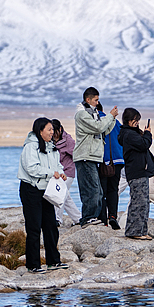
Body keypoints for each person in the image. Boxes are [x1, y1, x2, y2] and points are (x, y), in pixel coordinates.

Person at [17, 117, 66, 273]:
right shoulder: (31, 147)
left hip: (47, 190)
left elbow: (57, 165)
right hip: (31, 189)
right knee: (34, 227)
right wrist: (53, 173)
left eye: (53, 129)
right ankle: (33, 265)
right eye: (49, 130)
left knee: (51, 226)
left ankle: (53, 261)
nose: (53, 132)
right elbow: (32, 169)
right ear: (40, 131)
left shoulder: (52, 147)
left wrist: (61, 173)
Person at [73, 87, 118, 227]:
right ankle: (88, 218)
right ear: (88, 99)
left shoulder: (93, 114)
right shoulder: (82, 115)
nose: (98, 103)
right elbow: (98, 127)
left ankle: (92, 217)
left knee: (97, 190)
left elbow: (103, 131)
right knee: (91, 189)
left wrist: (112, 120)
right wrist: (109, 116)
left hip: (93, 157)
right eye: (96, 100)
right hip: (85, 156)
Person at [118, 108, 154, 240]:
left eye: (137, 120)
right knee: (138, 202)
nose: (137, 123)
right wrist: (148, 134)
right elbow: (144, 144)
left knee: (144, 202)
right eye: (134, 120)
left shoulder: (129, 133)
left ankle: (141, 231)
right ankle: (134, 231)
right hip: (136, 172)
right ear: (128, 121)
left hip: (139, 171)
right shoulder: (130, 134)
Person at [98, 106, 124, 229]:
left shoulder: (96, 121)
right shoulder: (115, 121)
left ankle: (103, 219)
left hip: (103, 161)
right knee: (113, 190)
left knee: (101, 191)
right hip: (117, 160)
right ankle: (113, 216)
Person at [50, 119, 81, 223]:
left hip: (67, 172)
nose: (53, 134)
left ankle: (57, 219)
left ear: (60, 129)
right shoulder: (50, 141)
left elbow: (77, 155)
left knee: (59, 194)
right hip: (56, 174)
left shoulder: (68, 141)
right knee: (65, 197)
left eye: (55, 132)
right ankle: (78, 219)